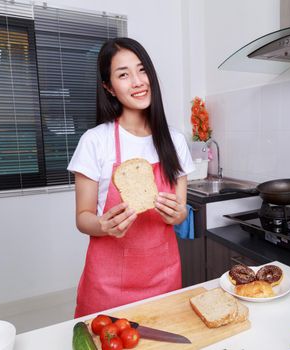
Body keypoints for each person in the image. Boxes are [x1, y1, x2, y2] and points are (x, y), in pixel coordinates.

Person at [67, 37, 195, 318]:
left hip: (164, 278)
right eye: (123, 74)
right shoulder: (95, 141)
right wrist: (103, 224)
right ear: (109, 87)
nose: (137, 81)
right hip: (108, 285)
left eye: (142, 70)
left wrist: (177, 215)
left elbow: (181, 211)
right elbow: (83, 217)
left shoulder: (174, 140)